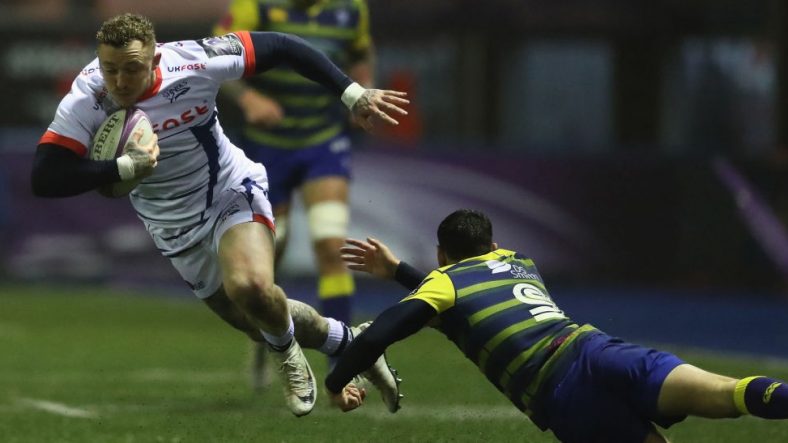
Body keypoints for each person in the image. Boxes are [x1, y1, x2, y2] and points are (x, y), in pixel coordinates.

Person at [31, 13, 407, 417]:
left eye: (132, 69)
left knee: (251, 287)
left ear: (156, 61)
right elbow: (46, 176)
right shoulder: (88, 97)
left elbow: (282, 46)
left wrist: (351, 93)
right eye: (111, 69)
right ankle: (350, 342)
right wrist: (123, 168)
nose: (120, 81)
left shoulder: (195, 60)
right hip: (173, 227)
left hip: (229, 191)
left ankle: (288, 359)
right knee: (251, 318)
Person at [325, 209, 788, 442]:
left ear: (442, 257)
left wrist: (335, 381)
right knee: (727, 393)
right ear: (494, 244)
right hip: (599, 350)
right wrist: (401, 270)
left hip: (563, 395)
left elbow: (386, 329)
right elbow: (465, 300)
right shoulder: (520, 262)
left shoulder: (444, 284)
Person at [213, 0, 374, 329]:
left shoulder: (352, 8)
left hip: (323, 139)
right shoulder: (254, 6)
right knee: (274, 250)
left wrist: (363, 87)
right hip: (267, 145)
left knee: (331, 246)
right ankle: (268, 335)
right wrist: (247, 98)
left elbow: (361, 52)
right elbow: (214, 58)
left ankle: (342, 361)